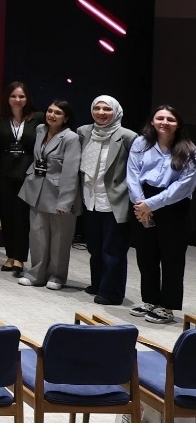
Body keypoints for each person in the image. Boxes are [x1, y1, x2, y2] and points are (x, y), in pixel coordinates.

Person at [127, 105, 196, 324]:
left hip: (173, 206)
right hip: (141, 201)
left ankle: (167, 307)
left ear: (178, 124)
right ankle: (150, 300)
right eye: (160, 118)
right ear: (152, 121)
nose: (164, 122)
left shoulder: (189, 149)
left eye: (170, 119)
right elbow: (132, 174)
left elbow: (184, 186)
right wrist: (140, 204)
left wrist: (151, 204)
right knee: (146, 255)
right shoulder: (140, 143)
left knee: (172, 259)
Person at [75, 96, 136, 305]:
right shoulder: (84, 132)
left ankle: (112, 293)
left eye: (107, 109)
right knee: (94, 247)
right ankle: (98, 284)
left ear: (116, 112)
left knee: (113, 250)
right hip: (90, 197)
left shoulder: (128, 136)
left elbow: (135, 169)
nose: (101, 113)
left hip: (114, 200)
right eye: (97, 108)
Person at [17, 100, 80, 290]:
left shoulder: (71, 138)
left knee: (59, 238)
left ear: (66, 118)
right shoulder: (40, 130)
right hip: (36, 189)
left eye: (58, 113)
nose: (52, 115)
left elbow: (70, 171)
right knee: (37, 235)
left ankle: (56, 276)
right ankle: (35, 274)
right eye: (50, 111)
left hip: (59, 193)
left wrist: (65, 202)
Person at [0, 81, 37, 274]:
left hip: (26, 173)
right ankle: (10, 256)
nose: (17, 100)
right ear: (7, 98)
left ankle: (19, 257)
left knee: (21, 217)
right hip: (3, 172)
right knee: (7, 215)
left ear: (27, 99)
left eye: (21, 96)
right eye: (13, 96)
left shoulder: (37, 118)